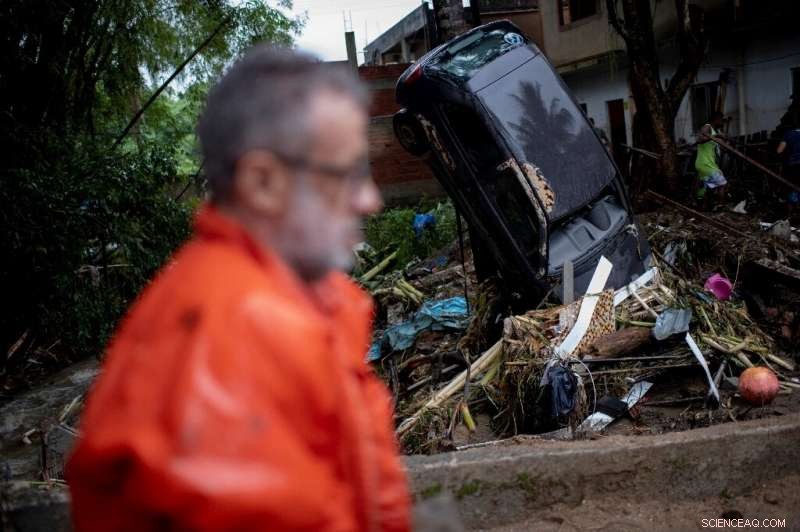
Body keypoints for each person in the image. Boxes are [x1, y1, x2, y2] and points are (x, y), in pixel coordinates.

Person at [66, 46, 411, 531]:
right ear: (263, 182)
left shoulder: (304, 301)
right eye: (347, 174)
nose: (370, 200)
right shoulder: (233, 337)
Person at [695, 111, 728, 209]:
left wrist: (724, 140)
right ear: (716, 119)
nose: (722, 122)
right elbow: (699, 139)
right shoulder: (707, 126)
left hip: (708, 163)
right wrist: (716, 137)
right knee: (723, 184)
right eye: (721, 120)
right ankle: (721, 206)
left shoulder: (715, 132)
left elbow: (724, 148)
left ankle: (704, 207)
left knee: (708, 187)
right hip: (705, 163)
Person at [777, 116, 800, 206]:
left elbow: (779, 150)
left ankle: (792, 208)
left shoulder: (788, 134)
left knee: (791, 186)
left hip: (793, 165)